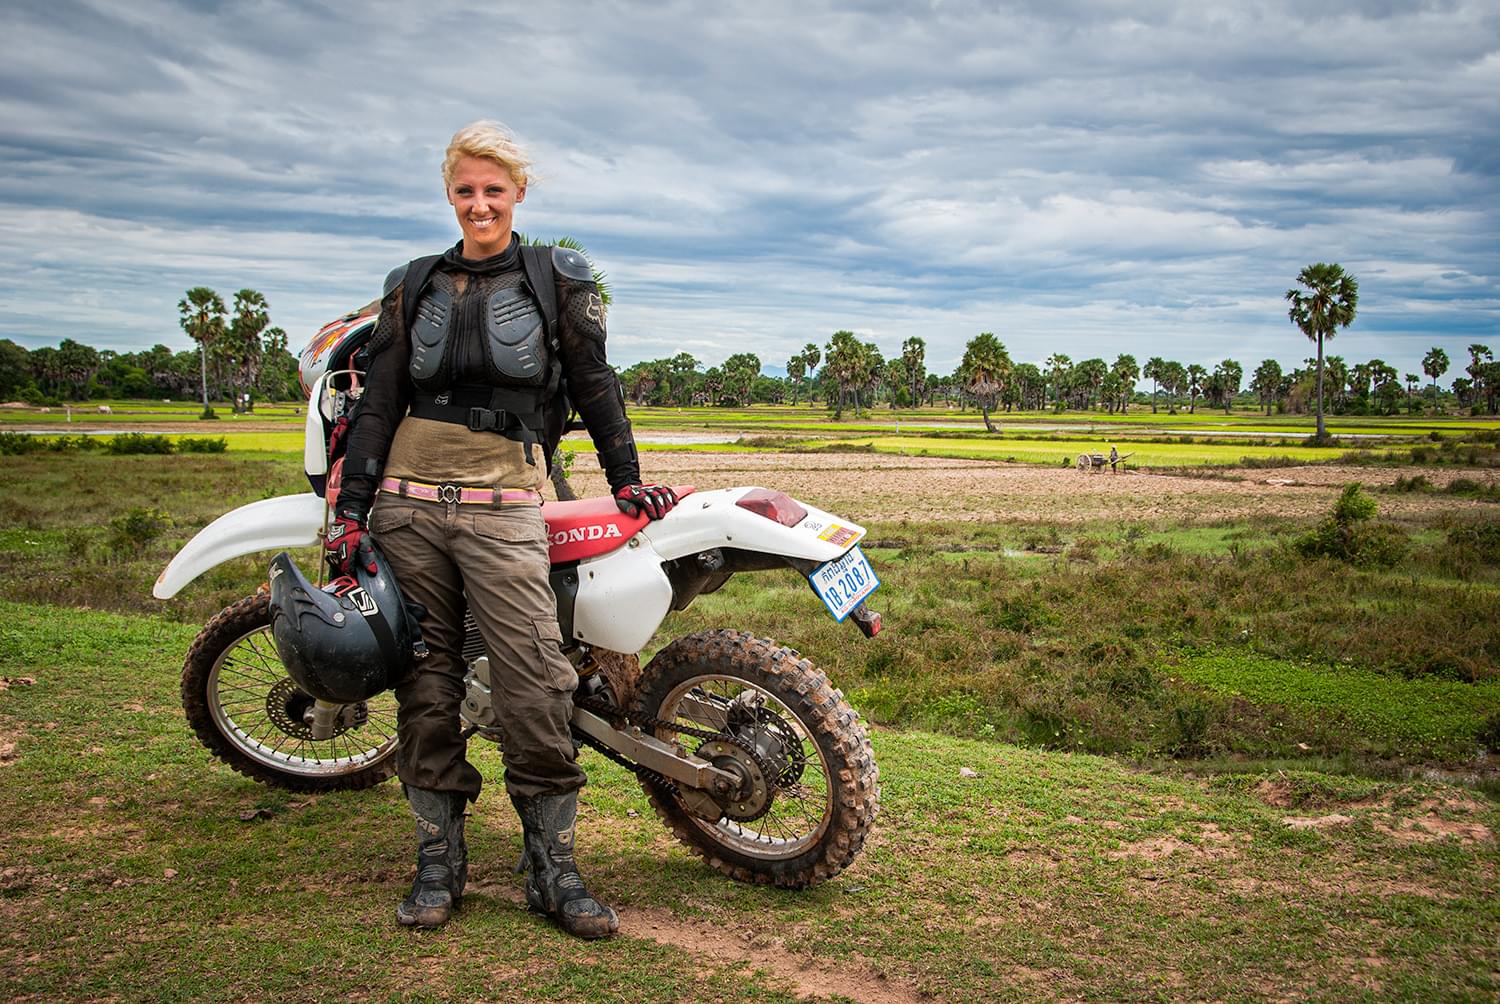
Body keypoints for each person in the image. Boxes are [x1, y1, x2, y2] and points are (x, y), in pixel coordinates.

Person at [326, 121, 677, 938]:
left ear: (518, 194)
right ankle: (438, 863)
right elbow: (380, 404)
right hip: (407, 506)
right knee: (426, 682)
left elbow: (594, 380)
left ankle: (552, 868)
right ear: (448, 195)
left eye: (494, 190)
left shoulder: (555, 277)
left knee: (533, 681)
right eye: (464, 190)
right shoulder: (411, 283)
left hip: (505, 506)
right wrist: (351, 513)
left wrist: (627, 481)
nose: (479, 204)